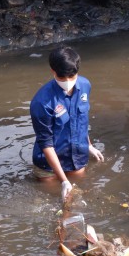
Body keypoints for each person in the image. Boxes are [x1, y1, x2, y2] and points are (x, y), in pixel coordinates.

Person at [30, 46, 104, 202]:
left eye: (72, 76)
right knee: (52, 199)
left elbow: (81, 120)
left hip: (76, 157)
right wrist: (63, 181)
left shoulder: (85, 85)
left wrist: (88, 145)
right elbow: (46, 144)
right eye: (63, 78)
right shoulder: (41, 102)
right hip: (47, 165)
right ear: (53, 71)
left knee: (78, 195)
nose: (68, 82)